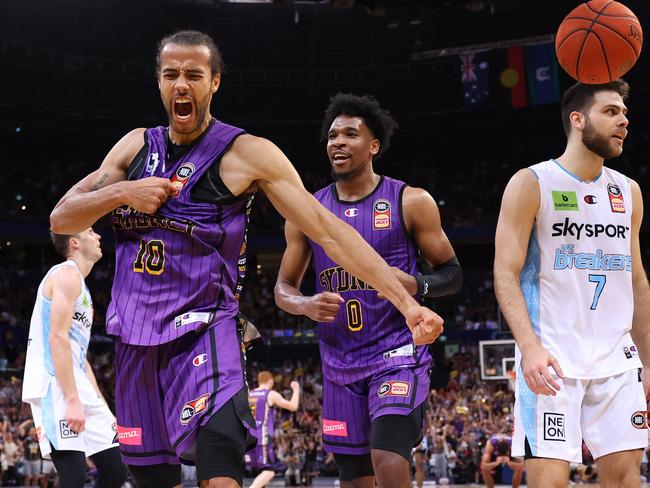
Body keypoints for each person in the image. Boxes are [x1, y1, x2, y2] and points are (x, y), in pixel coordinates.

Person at [49, 31, 443, 488]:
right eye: (171, 74)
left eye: (194, 75)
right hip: (135, 337)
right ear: (158, 82)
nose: (182, 84)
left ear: (214, 82)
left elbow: (331, 232)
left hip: (205, 331)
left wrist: (407, 303)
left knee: (220, 465)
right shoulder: (134, 147)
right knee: (153, 478)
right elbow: (62, 218)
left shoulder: (247, 153)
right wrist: (124, 192)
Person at [274, 93, 461, 488]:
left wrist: (417, 283)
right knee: (354, 479)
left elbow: (453, 273)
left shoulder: (411, 201)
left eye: (350, 134)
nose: (337, 142)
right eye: (332, 135)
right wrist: (304, 304)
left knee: (388, 459)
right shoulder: (308, 211)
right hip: (339, 363)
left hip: (397, 354)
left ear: (373, 146)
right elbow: (282, 288)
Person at [494, 79, 650, 488]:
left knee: (627, 481)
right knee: (549, 484)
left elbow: (636, 279)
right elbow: (504, 273)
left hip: (618, 361)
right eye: (612, 112)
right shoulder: (532, 183)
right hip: (552, 361)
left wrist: (648, 360)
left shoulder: (628, 192)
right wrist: (528, 349)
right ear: (578, 120)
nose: (624, 122)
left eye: (625, 113)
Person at [21, 229, 127, 488]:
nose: (99, 235)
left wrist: (102, 405)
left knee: (116, 469)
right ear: (75, 243)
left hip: (76, 380)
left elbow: (78, 355)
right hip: (55, 385)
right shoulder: (66, 274)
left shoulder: (81, 285)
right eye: (91, 231)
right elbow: (56, 338)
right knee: (74, 478)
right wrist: (72, 400)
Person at [245, 371, 300, 488]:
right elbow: (293, 406)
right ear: (270, 381)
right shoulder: (270, 394)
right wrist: (296, 389)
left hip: (247, 437)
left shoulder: (249, 394)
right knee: (270, 470)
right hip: (261, 438)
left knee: (262, 471)